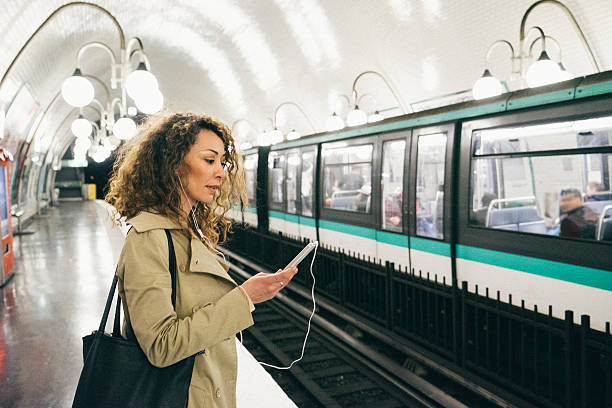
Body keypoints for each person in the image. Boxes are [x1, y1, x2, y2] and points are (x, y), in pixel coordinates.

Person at [105, 113, 298, 407]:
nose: (221, 172)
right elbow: (160, 345)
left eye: (222, 162)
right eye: (209, 160)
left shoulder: (188, 229)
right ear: (173, 166)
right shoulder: (149, 239)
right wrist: (244, 297)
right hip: (177, 396)